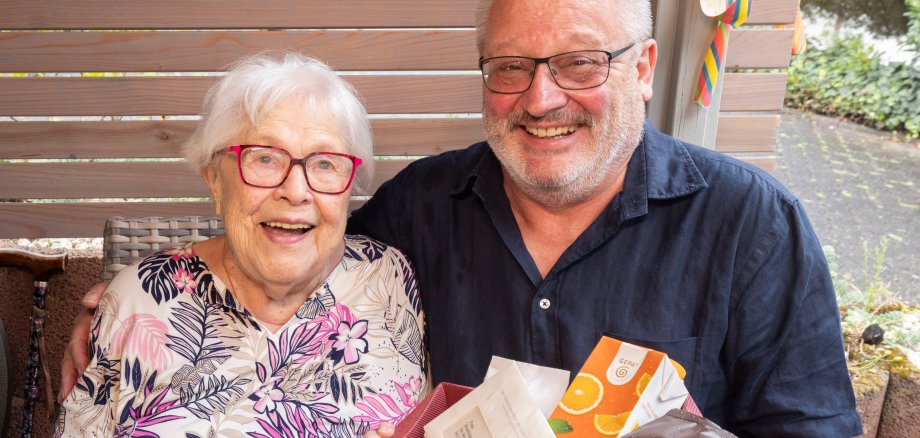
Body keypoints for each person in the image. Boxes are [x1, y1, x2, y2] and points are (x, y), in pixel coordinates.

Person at [62, 0, 863, 436]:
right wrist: (134, 296)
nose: (541, 98)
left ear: (644, 68)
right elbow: (288, 229)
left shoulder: (751, 225)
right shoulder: (418, 212)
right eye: (511, 67)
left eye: (580, 63)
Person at [56, 53, 427, 437]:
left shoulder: (394, 281)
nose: (296, 191)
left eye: (325, 163)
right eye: (265, 158)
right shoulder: (138, 301)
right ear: (215, 181)